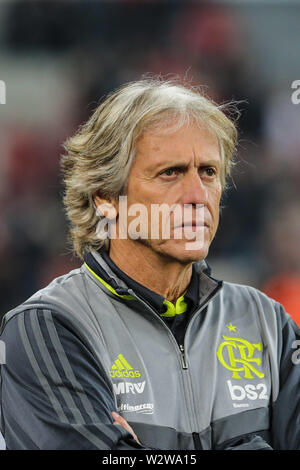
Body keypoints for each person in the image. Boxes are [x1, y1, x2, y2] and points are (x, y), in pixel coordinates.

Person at [0, 78, 299, 450]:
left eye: (208, 172)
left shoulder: (268, 322)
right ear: (106, 197)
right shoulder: (45, 330)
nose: (197, 196)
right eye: (170, 173)